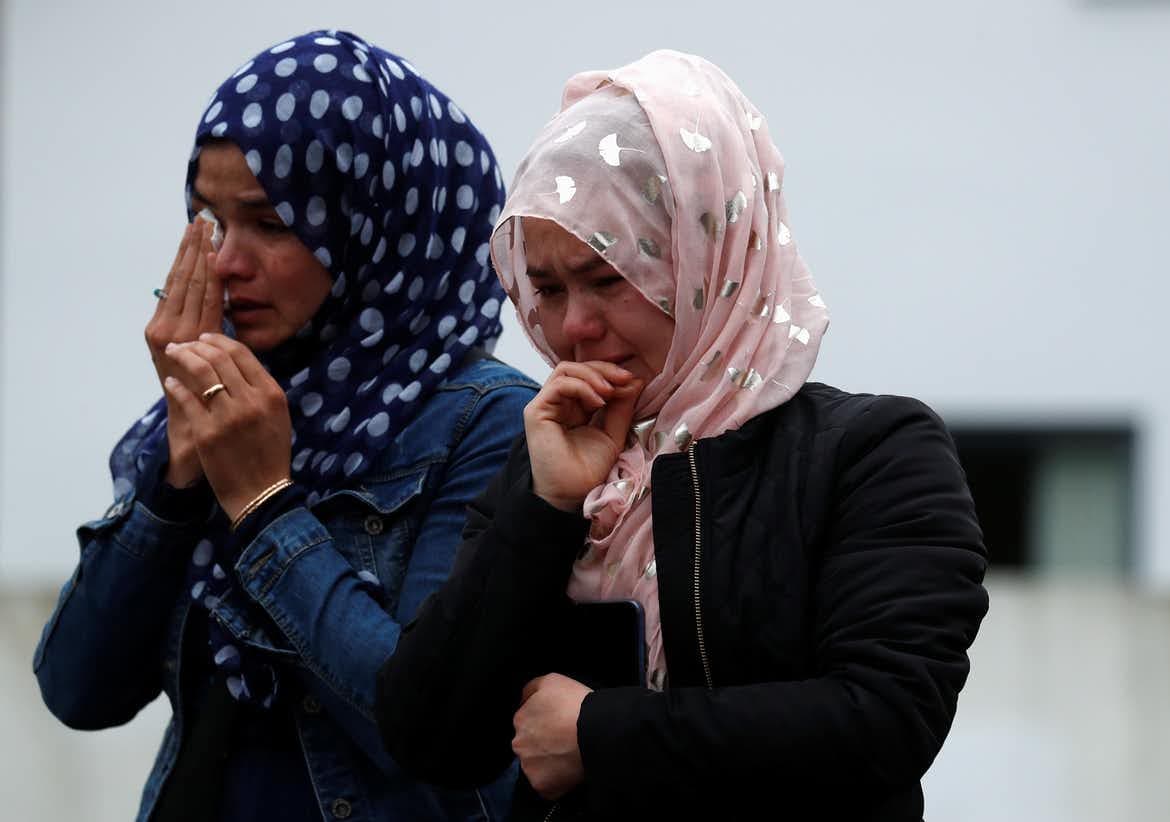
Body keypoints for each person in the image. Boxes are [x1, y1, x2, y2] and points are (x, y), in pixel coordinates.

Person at [375, 50, 990, 821]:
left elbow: (886, 718)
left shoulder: (871, 452)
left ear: (705, 256)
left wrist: (602, 734)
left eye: (606, 277)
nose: (574, 327)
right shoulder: (551, 470)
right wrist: (545, 509)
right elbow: (426, 734)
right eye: (548, 288)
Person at [33, 30, 533, 822]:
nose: (227, 260)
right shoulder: (223, 404)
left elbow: (426, 735)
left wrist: (265, 503)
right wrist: (177, 473)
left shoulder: (488, 424)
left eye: (271, 222)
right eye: (207, 218)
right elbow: (78, 691)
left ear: (376, 225)